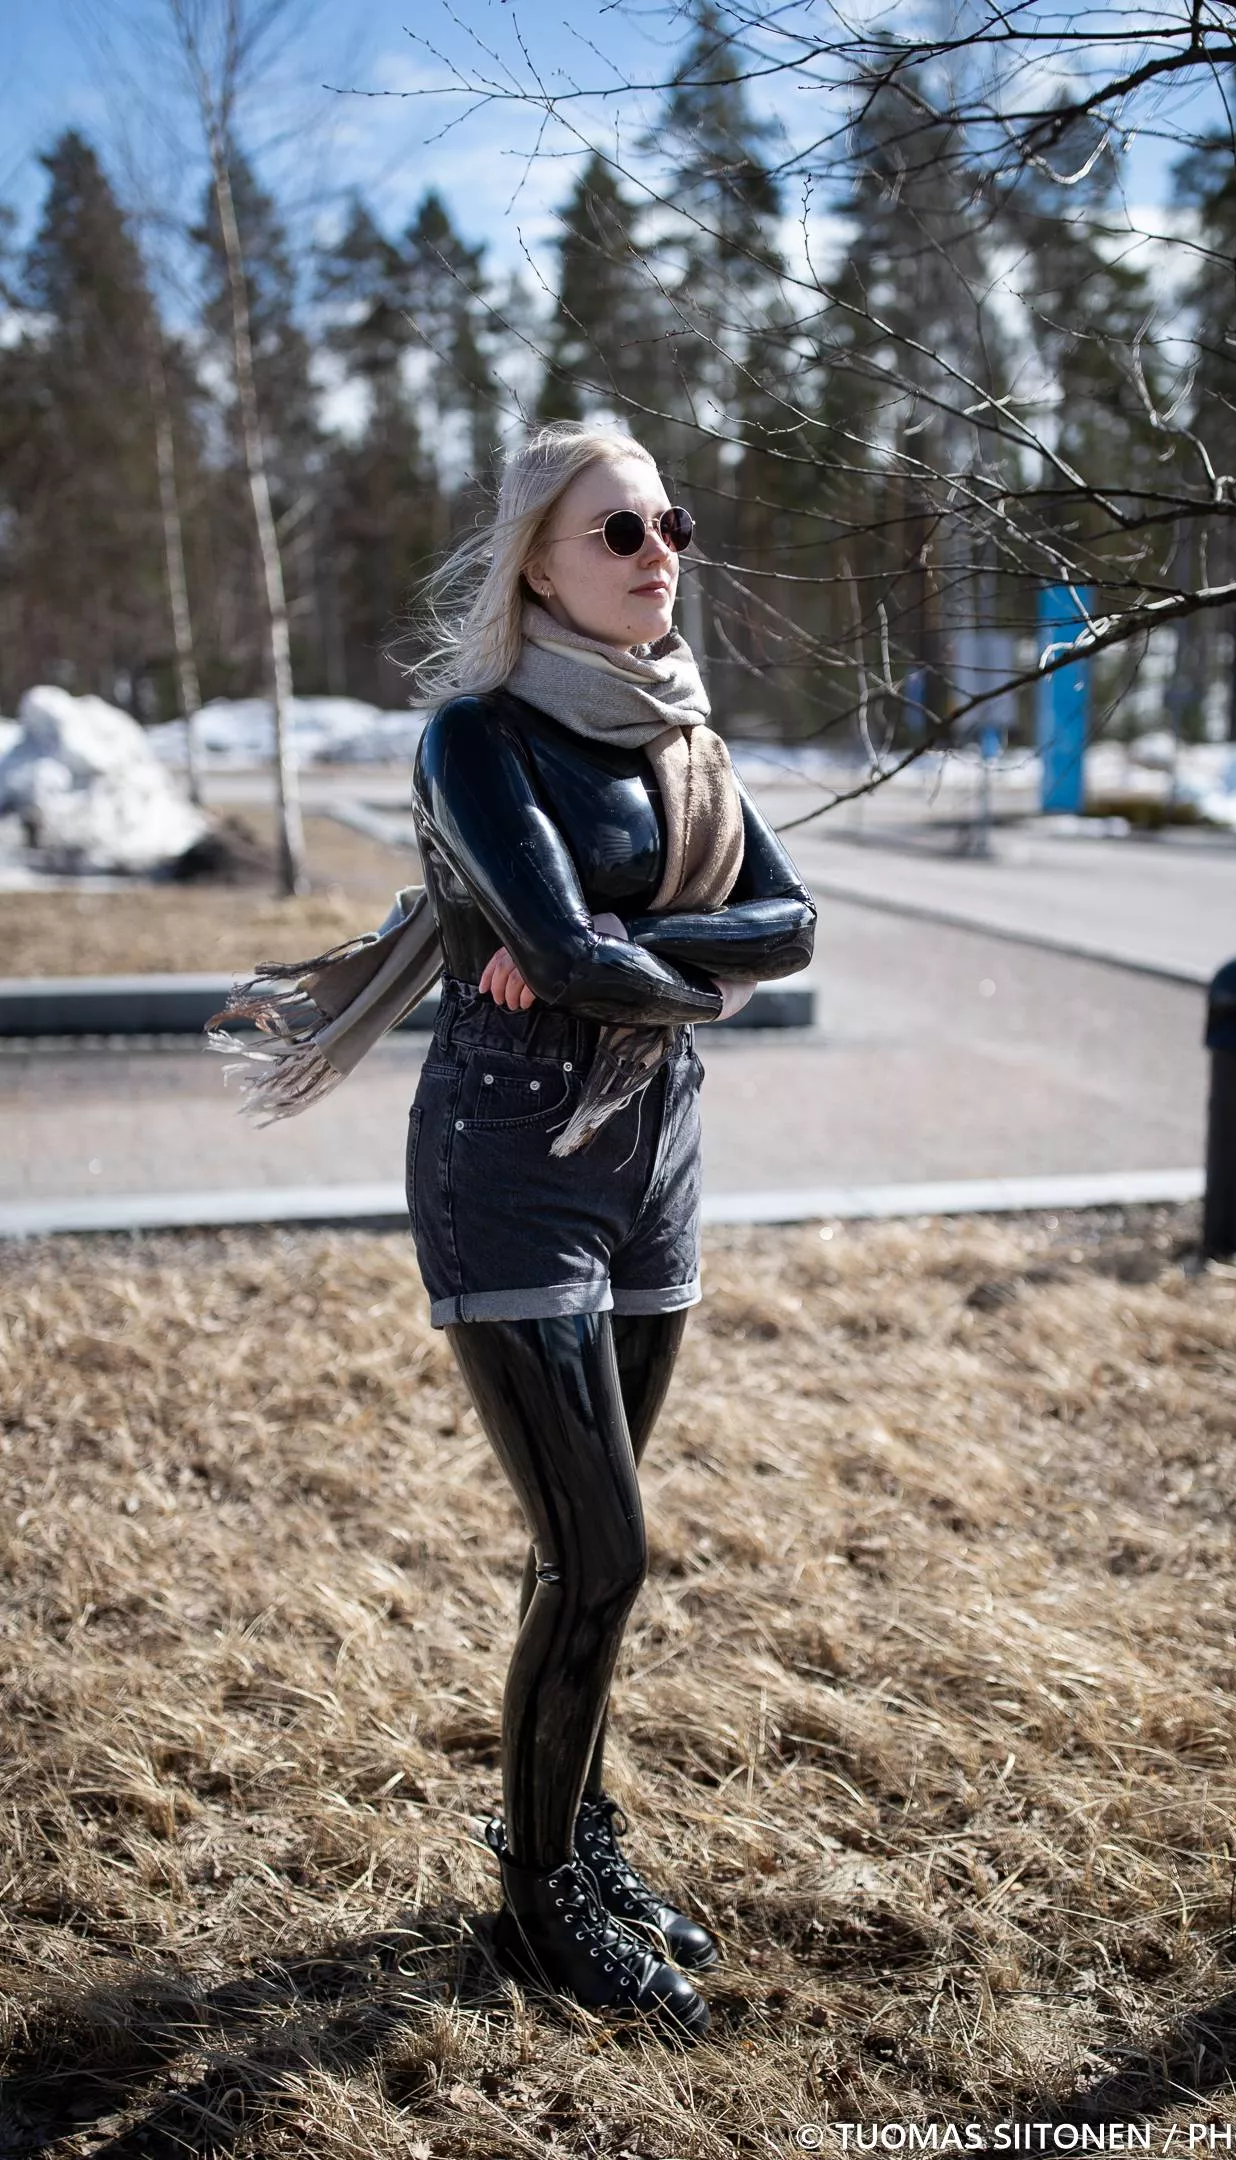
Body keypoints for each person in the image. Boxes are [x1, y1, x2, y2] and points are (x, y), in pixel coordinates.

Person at [404, 421, 817, 2040]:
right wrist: (614, 953)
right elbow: (562, 962)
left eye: (671, 525)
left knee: (580, 1555)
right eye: (619, 532)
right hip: (515, 1146)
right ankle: (539, 1905)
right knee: (606, 1551)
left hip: (657, 1141)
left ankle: (565, 1829)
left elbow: (791, 924)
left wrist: (618, 944)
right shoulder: (478, 741)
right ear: (537, 564)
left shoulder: (688, 739)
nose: (660, 555)